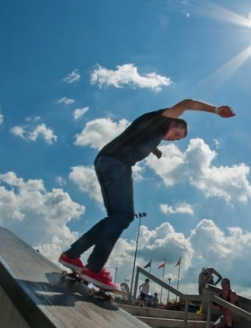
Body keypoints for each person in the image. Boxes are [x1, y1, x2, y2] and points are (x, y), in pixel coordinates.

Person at [58, 100, 235, 291]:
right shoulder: (161, 119)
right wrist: (216, 110)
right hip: (117, 164)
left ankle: (72, 254)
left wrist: (155, 149)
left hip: (106, 161)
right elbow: (187, 103)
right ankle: (94, 268)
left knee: (115, 217)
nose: (172, 139)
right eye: (176, 134)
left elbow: (140, 136)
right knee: (124, 215)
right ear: (173, 122)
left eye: (176, 140)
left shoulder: (153, 132)